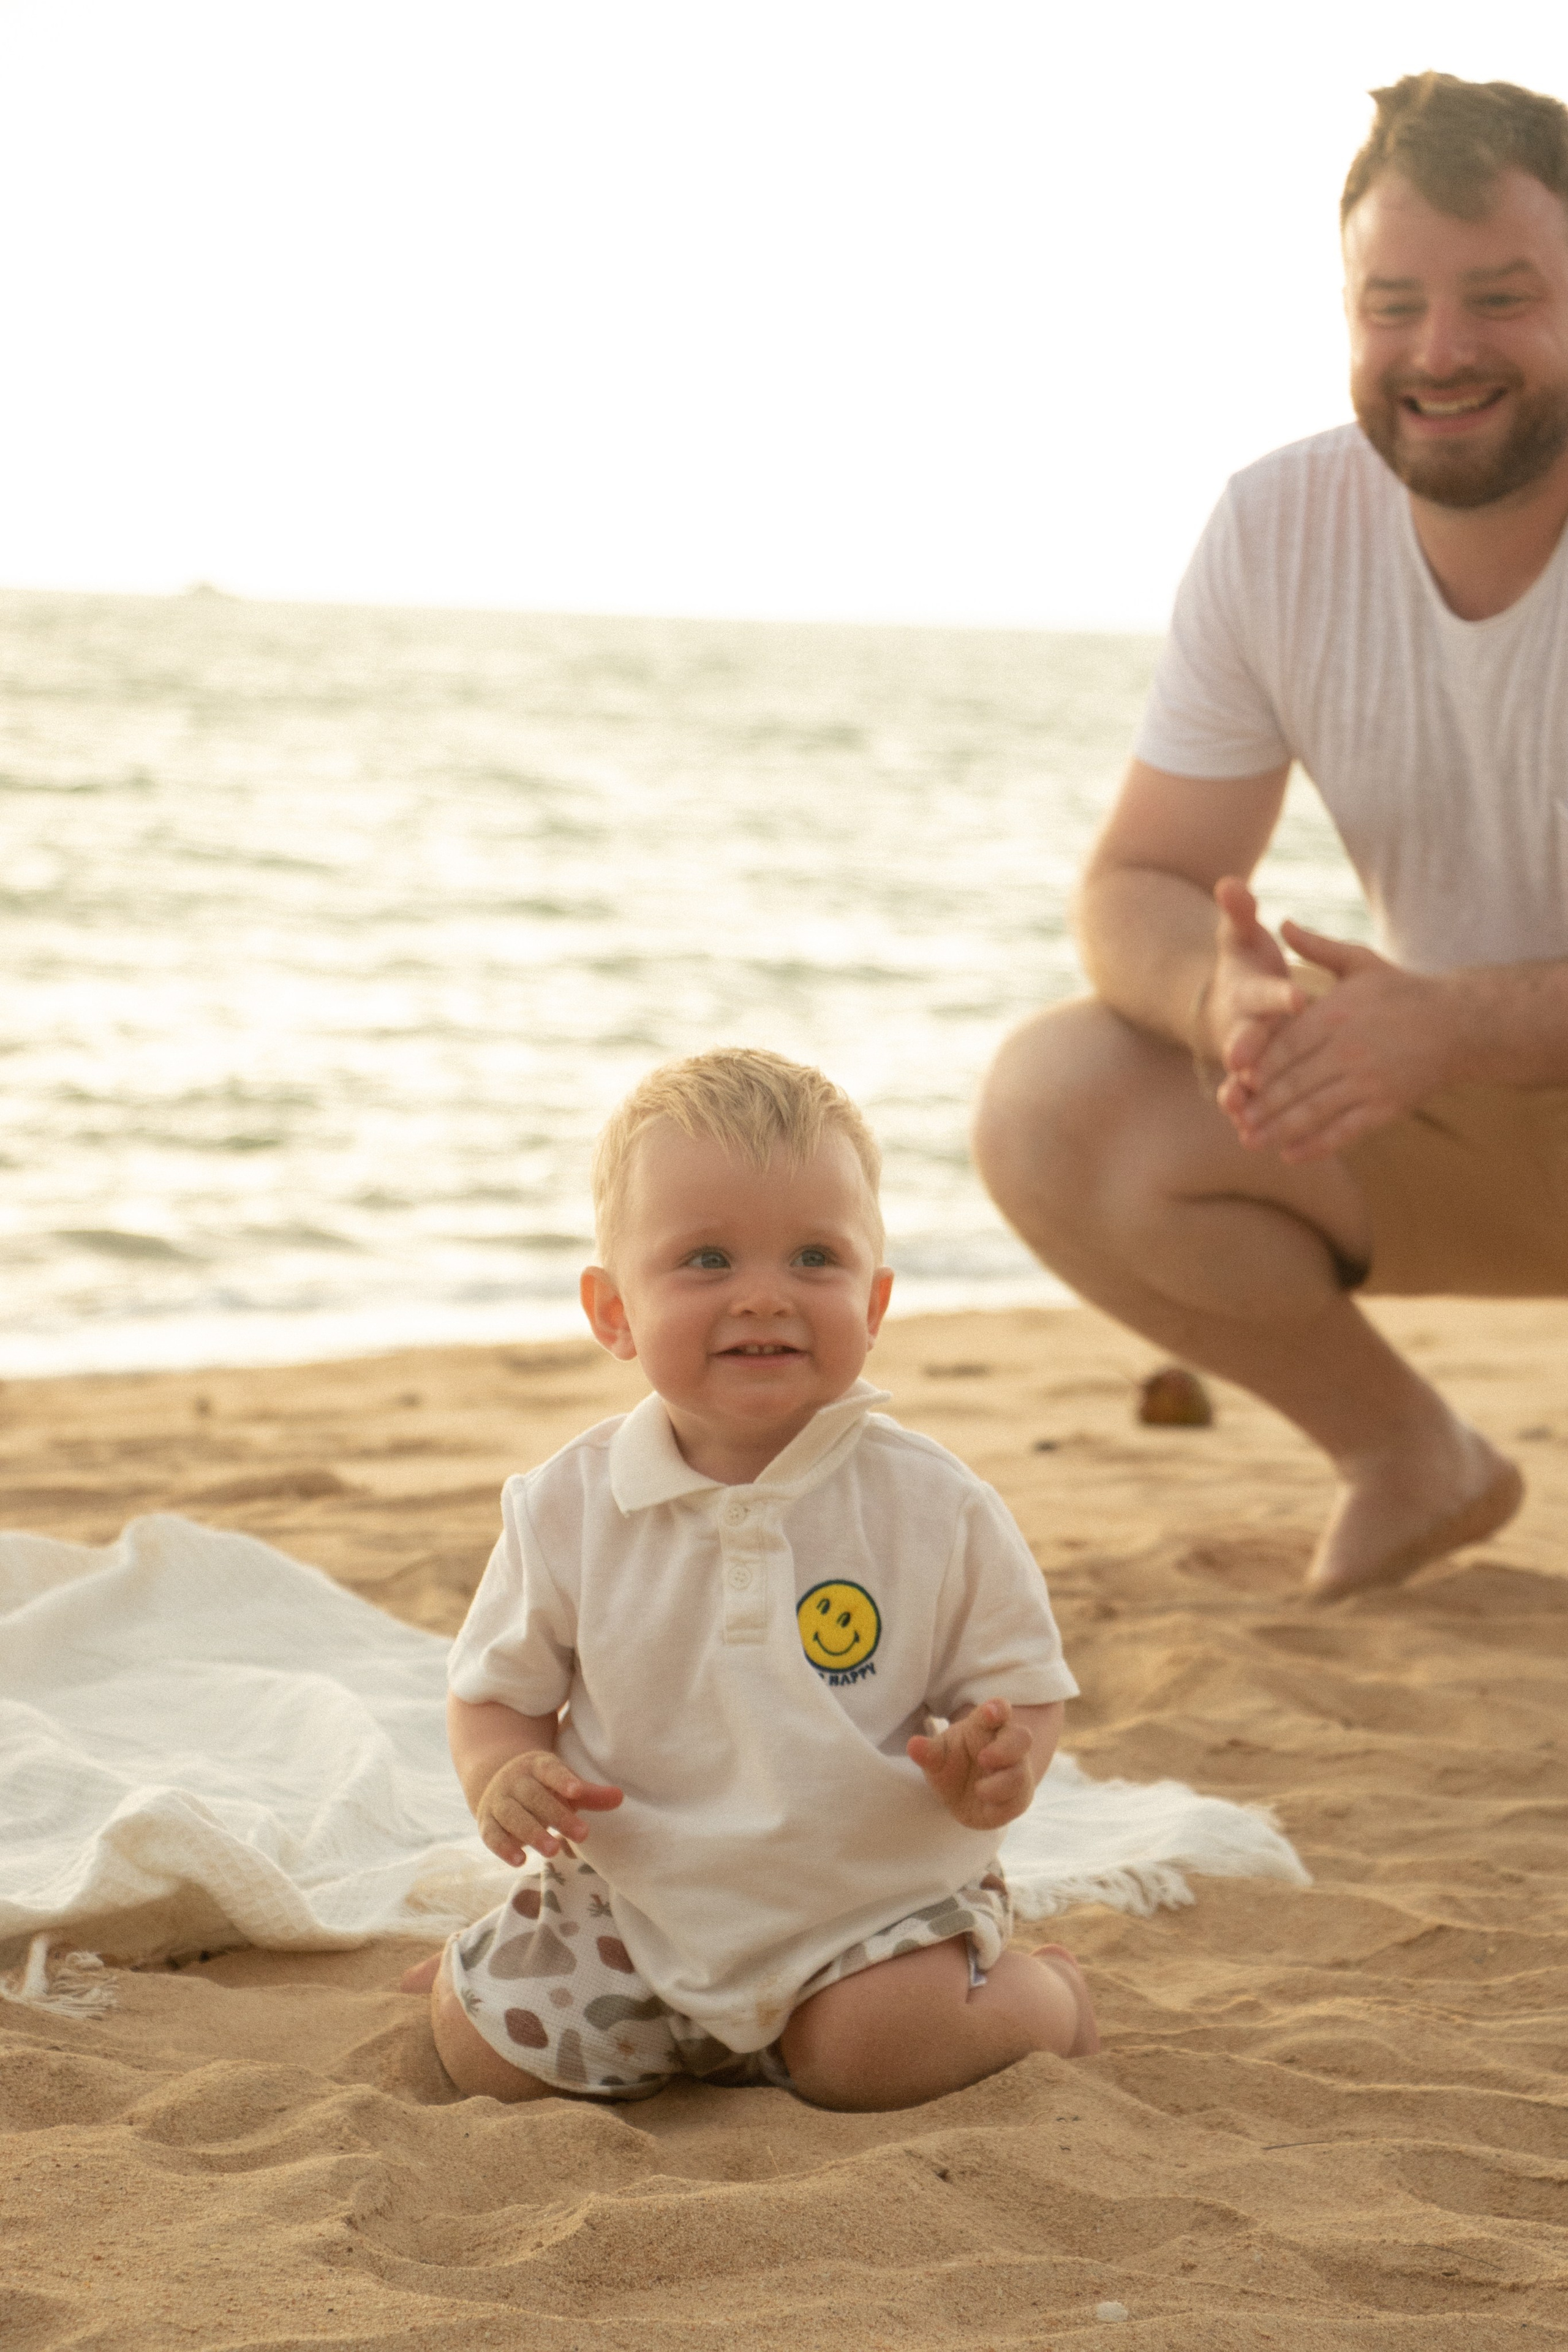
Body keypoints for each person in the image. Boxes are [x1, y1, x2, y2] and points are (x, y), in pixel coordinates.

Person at [974, 71, 1568, 1604]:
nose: (1437, 353)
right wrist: (1219, 1006)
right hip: (1455, 1116)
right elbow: (1134, 881)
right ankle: (1407, 1457)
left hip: (1474, 1050)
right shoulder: (1277, 528)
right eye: (1392, 305)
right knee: (1056, 1102)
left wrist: (1456, 1023)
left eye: (1498, 298)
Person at [402, 1048, 1096, 2111]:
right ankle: (562, 2000)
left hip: (869, 1909)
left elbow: (1024, 1683)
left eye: (815, 1259)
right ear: (612, 1311)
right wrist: (500, 1773)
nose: (764, 1297)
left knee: (872, 2056)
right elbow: (495, 1692)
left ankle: (1049, 1995)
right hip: (640, 1909)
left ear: (876, 1301)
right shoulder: (564, 1507)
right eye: (709, 1261)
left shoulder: (931, 1504)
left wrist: (1000, 1760)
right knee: (482, 2054)